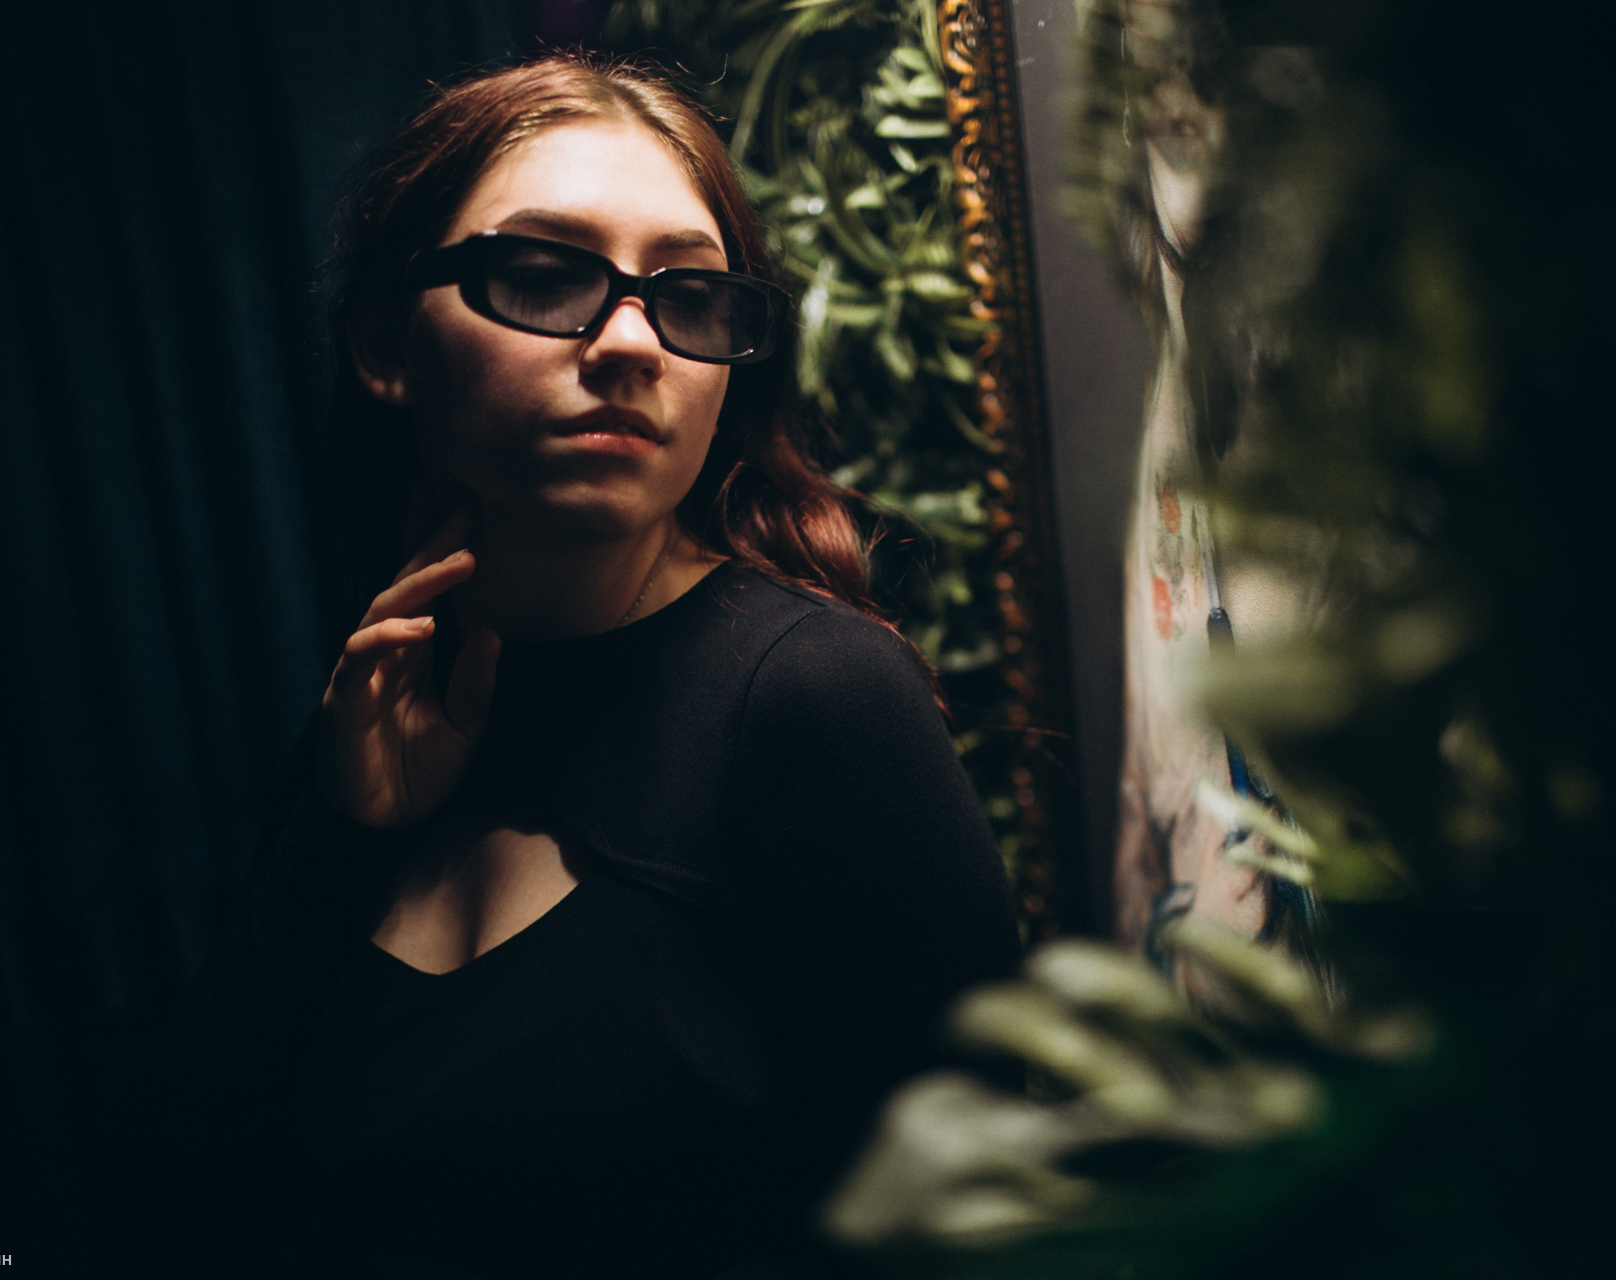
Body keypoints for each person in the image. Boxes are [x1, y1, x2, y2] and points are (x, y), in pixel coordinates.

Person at [136, 52, 1022, 1280]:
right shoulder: (383, 699)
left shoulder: (811, 696)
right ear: (388, 342)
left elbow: (1001, 1219)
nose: (632, 344)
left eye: (690, 293)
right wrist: (340, 836)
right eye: (545, 275)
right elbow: (191, 1173)